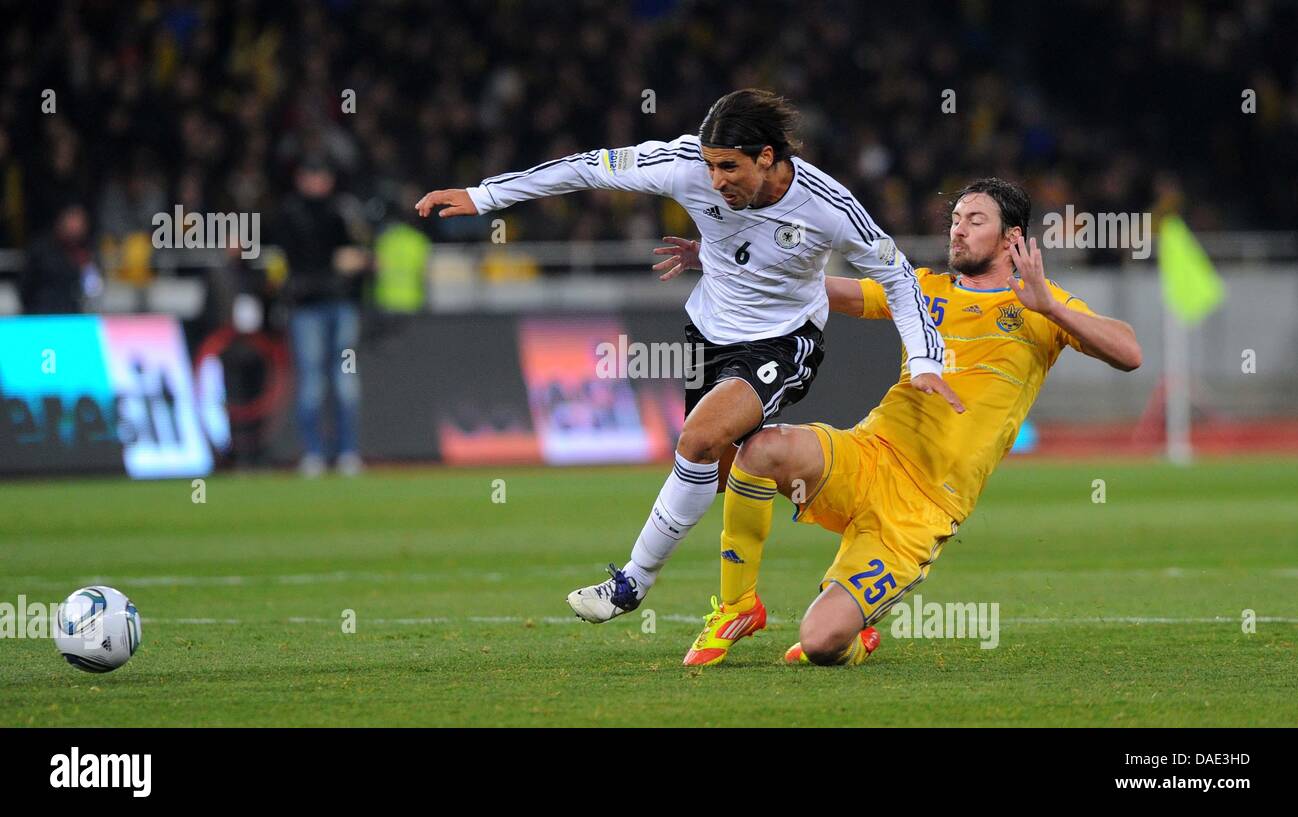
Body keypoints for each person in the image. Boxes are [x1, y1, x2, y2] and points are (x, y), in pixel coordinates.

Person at [415, 89, 959, 621]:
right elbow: (587, 167)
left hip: (784, 340)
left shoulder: (827, 204)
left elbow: (895, 273)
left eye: (728, 168)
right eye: (710, 166)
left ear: (767, 158)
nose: (716, 181)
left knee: (696, 438)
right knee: (721, 472)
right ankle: (765, 589)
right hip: (707, 334)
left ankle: (630, 584)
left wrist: (926, 358)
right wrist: (485, 197)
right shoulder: (683, 166)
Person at [657, 178, 1142, 666]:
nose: (959, 231)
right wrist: (727, 262)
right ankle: (739, 607)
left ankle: (855, 635)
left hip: (922, 508)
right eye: (955, 220)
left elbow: (1129, 353)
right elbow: (831, 291)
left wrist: (1052, 307)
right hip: (868, 455)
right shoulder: (922, 288)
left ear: (1011, 237)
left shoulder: (1041, 306)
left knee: (821, 643)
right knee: (759, 450)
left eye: (975, 221)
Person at [277, 159, 370, 477]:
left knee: (345, 382)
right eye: (310, 174)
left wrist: (357, 263)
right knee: (312, 383)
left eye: (320, 174)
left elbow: (362, 252)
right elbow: (283, 254)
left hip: (340, 304)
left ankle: (347, 453)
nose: (315, 181)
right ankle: (314, 453)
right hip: (307, 307)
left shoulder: (342, 210)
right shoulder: (290, 212)